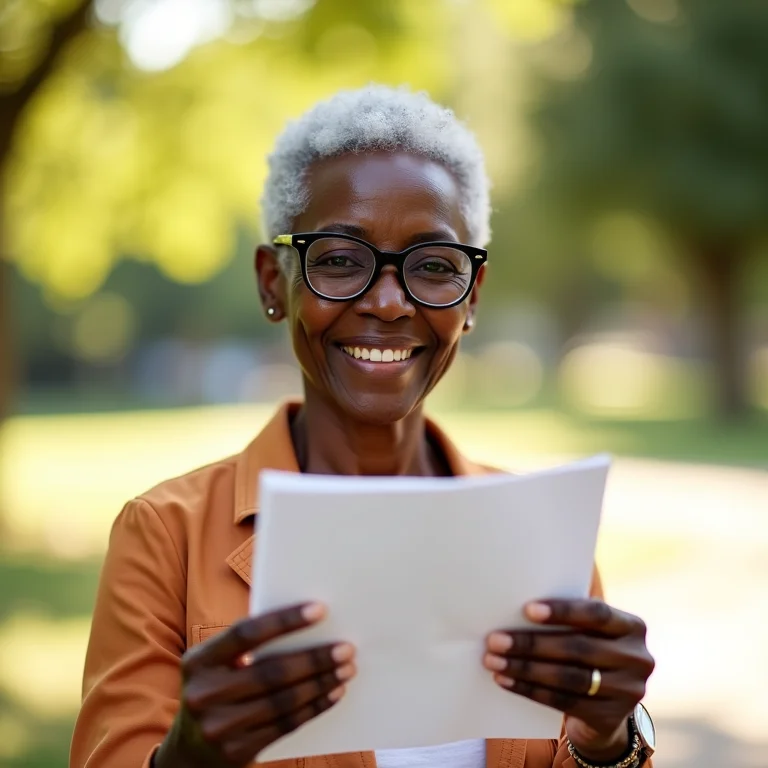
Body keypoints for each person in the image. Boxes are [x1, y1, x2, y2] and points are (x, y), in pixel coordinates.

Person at [70, 85, 655, 768]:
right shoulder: (165, 536)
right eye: (341, 260)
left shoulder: (541, 536)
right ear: (272, 283)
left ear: (472, 298)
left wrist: (606, 742)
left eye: (434, 266)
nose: (388, 301)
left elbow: (592, 748)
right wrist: (190, 757)